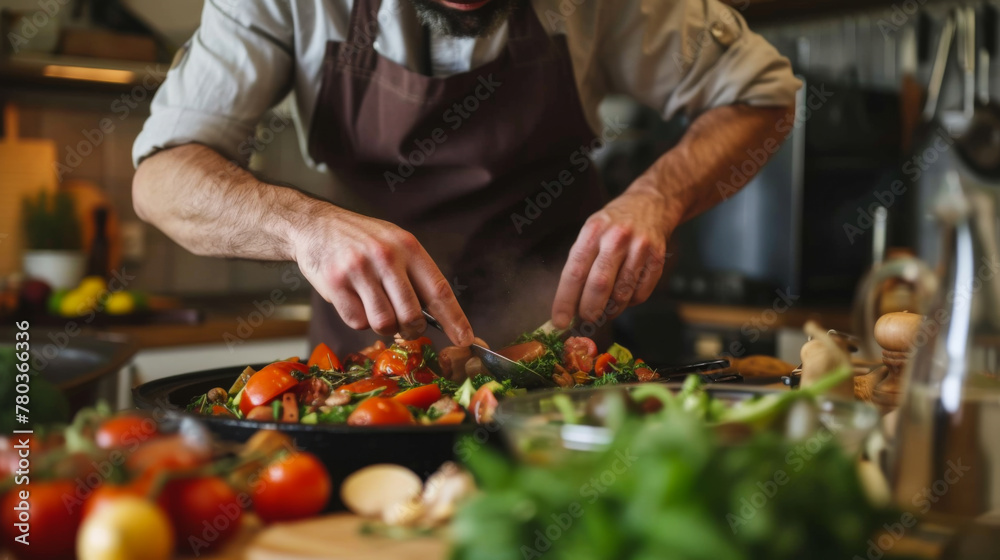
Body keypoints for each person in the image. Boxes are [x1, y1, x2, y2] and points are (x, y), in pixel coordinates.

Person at [132, 0, 800, 354]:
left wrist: (658, 197)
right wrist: (302, 224)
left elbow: (764, 95)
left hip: (560, 361)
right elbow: (162, 176)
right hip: (372, 361)